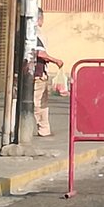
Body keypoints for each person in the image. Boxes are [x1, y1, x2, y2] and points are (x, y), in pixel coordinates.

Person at [33, 8, 64, 138]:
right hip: (36, 73)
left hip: (32, 73)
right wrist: (55, 60)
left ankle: (44, 129)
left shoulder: (22, 31)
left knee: (41, 102)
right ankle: (40, 128)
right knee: (38, 102)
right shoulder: (34, 33)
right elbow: (40, 53)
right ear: (39, 19)